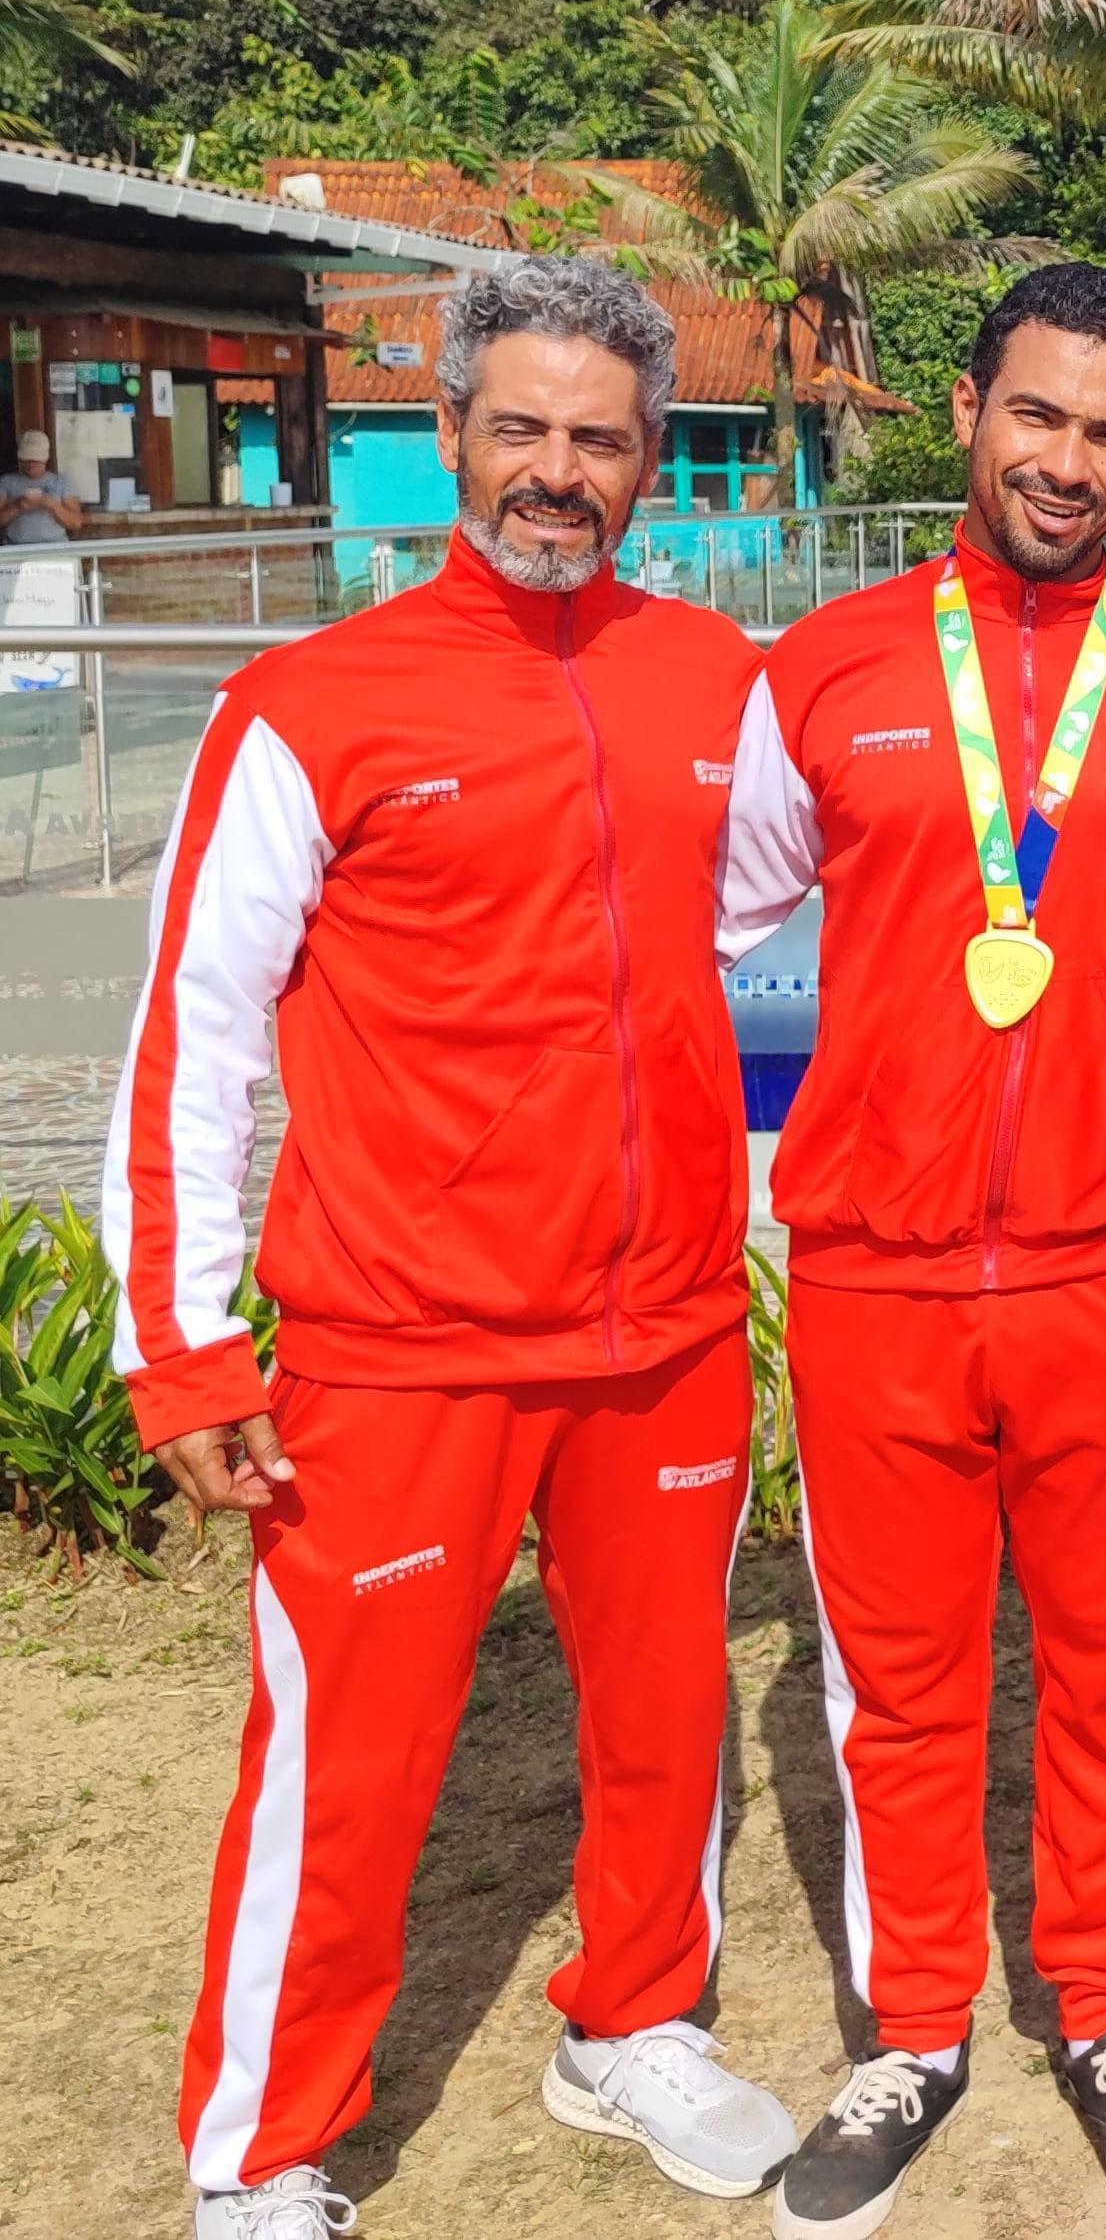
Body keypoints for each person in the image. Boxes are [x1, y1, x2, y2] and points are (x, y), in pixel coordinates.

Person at [102, 257, 798, 2238]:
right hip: (397, 1351)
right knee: (349, 1770)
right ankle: (262, 2150)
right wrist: (181, 1350)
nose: (557, 471)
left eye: (599, 439)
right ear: (453, 439)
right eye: (524, 429)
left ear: (649, 463)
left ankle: (635, 2022)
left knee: (667, 1727)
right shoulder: (306, 707)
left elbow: (726, 921)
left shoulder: (714, 689)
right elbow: (192, 1041)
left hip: (658, 1331)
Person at [717, 266, 1106, 2234]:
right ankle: (915, 2026)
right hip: (879, 1270)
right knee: (901, 1681)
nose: (1068, 463)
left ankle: (1104, 2003)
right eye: (1040, 416)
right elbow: (711, 937)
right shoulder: (829, 669)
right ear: (965, 410)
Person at [4, 426, 86, 542]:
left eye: (35, 461)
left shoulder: (61, 482)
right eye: (25, 461)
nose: (30, 465)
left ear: (45, 459)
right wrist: (17, 506)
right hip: (18, 550)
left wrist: (52, 505)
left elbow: (76, 523)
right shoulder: (6, 482)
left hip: (54, 549)